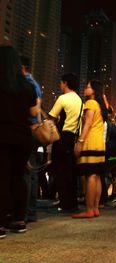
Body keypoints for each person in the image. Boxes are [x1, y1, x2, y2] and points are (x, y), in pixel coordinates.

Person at [0, 46, 39, 238]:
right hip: (22, 137)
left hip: (3, 135)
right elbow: (33, 113)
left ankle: (1, 223)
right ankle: (19, 220)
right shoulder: (27, 85)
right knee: (18, 177)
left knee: (2, 178)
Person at [72, 80, 107, 218]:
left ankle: (89, 209)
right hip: (100, 142)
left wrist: (80, 141)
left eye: (87, 87)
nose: (85, 89)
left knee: (89, 176)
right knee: (96, 176)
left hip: (90, 141)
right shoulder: (100, 105)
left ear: (94, 90)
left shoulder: (91, 103)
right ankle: (95, 208)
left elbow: (87, 124)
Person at [49, 73, 83, 212]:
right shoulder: (81, 101)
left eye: (61, 83)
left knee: (59, 171)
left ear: (66, 83)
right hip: (73, 139)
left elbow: (52, 118)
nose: (60, 85)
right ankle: (72, 203)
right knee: (71, 172)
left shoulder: (62, 98)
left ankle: (64, 203)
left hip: (61, 137)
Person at [20, 56, 44, 223]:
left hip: (29, 130)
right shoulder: (34, 84)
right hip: (35, 132)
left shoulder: (28, 84)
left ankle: (26, 212)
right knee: (32, 173)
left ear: (22, 67)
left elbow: (34, 110)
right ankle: (30, 212)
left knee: (26, 173)